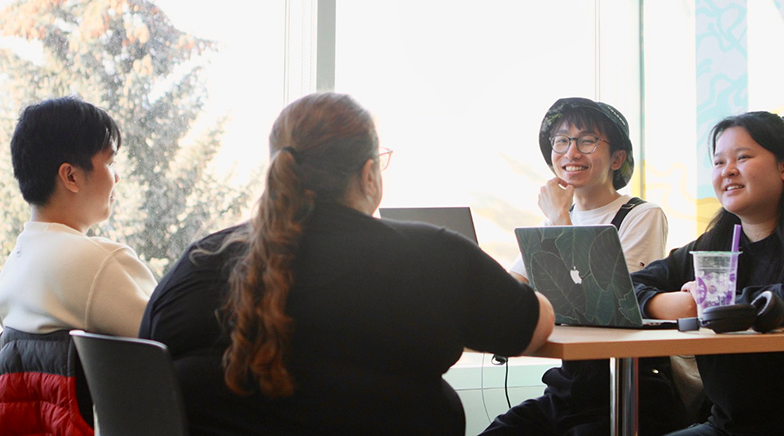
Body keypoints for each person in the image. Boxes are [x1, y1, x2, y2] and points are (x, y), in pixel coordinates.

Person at [138, 92, 555, 436]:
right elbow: (533, 327)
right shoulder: (430, 255)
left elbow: (143, 371)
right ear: (369, 173)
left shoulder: (197, 264)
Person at [632, 111, 784, 435]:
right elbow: (629, 286)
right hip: (726, 426)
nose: (728, 170)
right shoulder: (713, 246)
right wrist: (668, 304)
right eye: (719, 163)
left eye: (742, 157)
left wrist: (711, 302)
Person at [483, 97, 686, 435]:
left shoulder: (640, 215)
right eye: (561, 141)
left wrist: (559, 219)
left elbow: (604, 304)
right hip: (567, 388)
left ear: (617, 158)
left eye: (586, 141)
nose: (571, 152)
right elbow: (514, 288)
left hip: (626, 389)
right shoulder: (559, 218)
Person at [0, 96, 156, 435]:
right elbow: (172, 344)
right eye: (110, 162)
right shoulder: (96, 262)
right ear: (71, 176)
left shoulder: (14, 268)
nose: (117, 178)